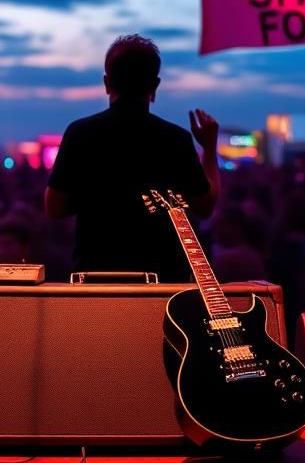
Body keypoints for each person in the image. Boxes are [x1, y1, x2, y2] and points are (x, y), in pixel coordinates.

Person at [45, 34, 219, 282]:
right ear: (154, 86)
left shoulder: (80, 133)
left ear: (107, 83)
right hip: (163, 283)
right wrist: (209, 151)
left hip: (96, 279)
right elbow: (205, 207)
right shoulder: (175, 139)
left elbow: (54, 207)